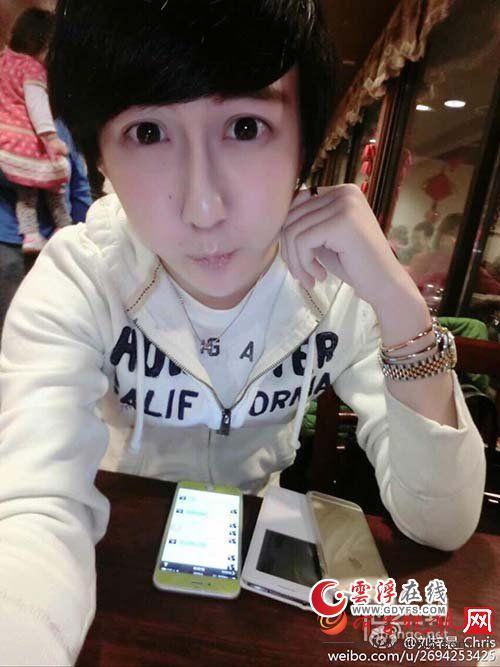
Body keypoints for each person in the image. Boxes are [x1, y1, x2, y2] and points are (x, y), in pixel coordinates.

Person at [0, 1, 485, 664]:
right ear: (99, 156)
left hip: (259, 584)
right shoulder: (80, 277)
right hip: (113, 575)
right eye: (148, 132)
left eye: (246, 126)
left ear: (304, 143)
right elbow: (33, 511)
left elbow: (442, 522)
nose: (205, 208)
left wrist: (402, 306)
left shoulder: (337, 279)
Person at [0, 119, 93, 337]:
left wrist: (86, 232)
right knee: (14, 329)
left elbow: (79, 183)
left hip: (58, 239)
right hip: (9, 244)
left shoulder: (58, 124)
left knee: (62, 323)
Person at [0, 9, 71, 254]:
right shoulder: (31, 69)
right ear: (40, 43)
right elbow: (37, 105)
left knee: (26, 192)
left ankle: (30, 234)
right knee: (56, 179)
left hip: (5, 141)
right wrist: (51, 138)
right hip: (25, 142)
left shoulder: (4, 61)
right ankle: (64, 226)